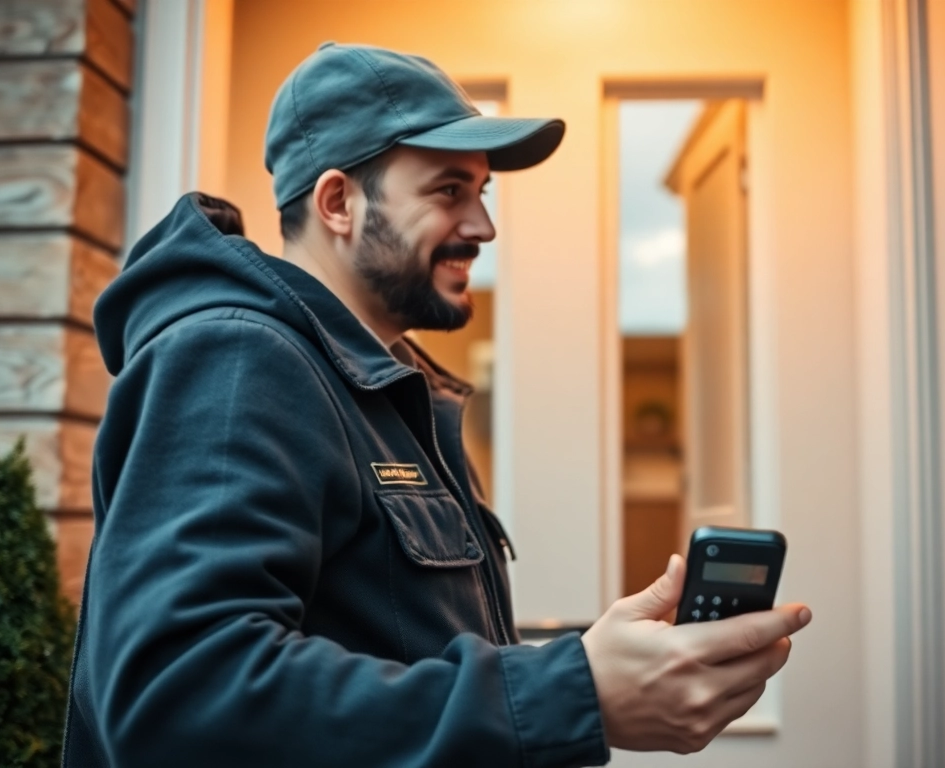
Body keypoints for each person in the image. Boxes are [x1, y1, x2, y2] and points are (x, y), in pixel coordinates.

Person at [62, 43, 811, 767]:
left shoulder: (387, 392)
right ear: (337, 202)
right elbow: (178, 701)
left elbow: (399, 648)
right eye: (448, 191)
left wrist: (607, 663)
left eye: (481, 192)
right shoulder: (237, 361)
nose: (483, 226)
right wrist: (569, 693)